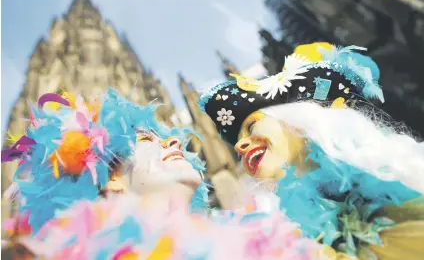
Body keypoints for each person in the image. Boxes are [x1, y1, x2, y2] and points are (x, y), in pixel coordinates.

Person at [2, 89, 333, 260]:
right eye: (147, 139)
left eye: (165, 137)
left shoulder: (265, 236)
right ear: (109, 178)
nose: (175, 140)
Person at [198, 42, 424, 259]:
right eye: (236, 146)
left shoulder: (397, 189)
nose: (239, 146)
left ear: (295, 118)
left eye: (250, 126)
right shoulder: (286, 236)